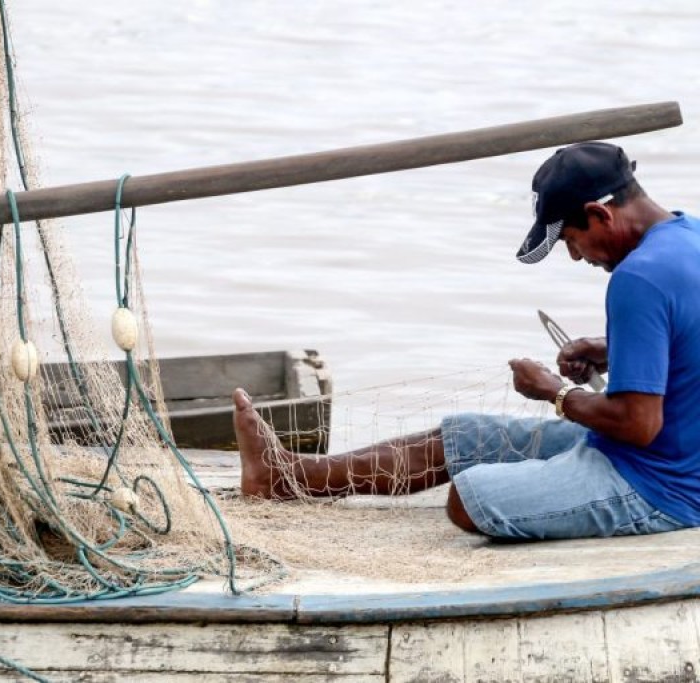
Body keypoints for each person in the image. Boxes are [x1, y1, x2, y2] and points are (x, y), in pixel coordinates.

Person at [232, 141, 700, 540]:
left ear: (599, 213)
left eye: (569, 241)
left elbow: (637, 424)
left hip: (663, 488)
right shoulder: (689, 235)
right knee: (462, 437)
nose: (577, 257)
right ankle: (285, 476)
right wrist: (609, 350)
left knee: (471, 497)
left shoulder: (636, 278)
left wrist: (553, 392)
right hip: (659, 455)